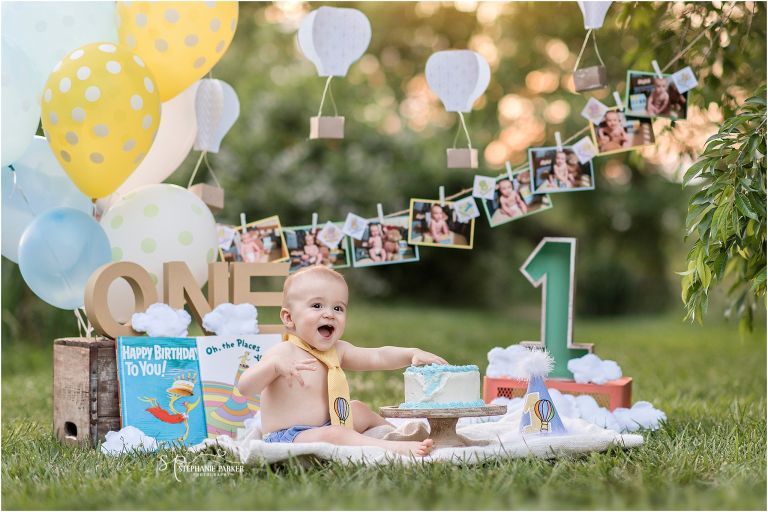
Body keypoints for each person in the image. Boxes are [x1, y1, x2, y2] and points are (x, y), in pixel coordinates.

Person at [237, 266, 446, 456]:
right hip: (287, 436)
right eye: (317, 305)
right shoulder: (282, 352)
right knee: (335, 434)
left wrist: (410, 354)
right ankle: (395, 449)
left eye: (338, 308)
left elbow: (377, 356)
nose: (329, 314)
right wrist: (273, 367)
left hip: (326, 425)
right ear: (289, 318)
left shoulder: (337, 350)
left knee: (358, 409)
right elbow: (245, 386)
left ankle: (395, 435)